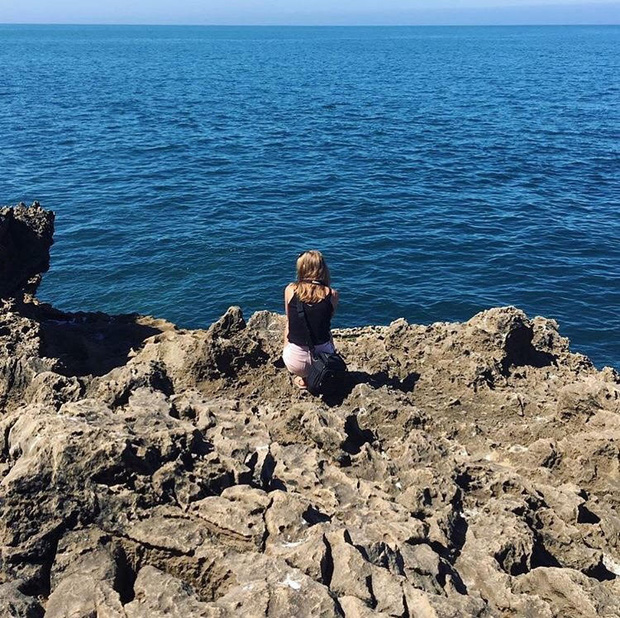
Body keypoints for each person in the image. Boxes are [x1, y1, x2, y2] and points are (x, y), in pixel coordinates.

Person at [283, 250, 339, 389]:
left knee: (288, 324)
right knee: (327, 330)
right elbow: (326, 320)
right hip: (323, 361)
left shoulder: (290, 290)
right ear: (323, 269)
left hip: (295, 363)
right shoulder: (332, 294)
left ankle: (303, 378)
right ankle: (320, 371)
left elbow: (290, 318)